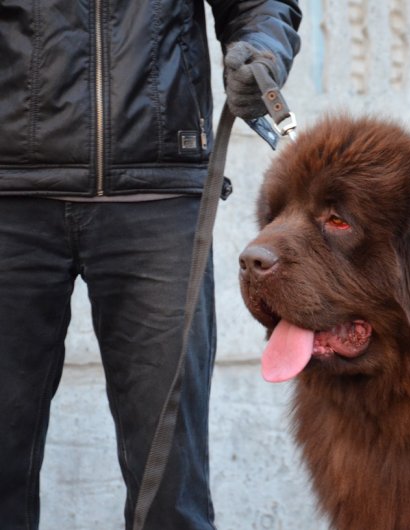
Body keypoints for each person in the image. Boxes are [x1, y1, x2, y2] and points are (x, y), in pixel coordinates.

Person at [0, 1, 301, 528]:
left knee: (171, 484)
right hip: (10, 195)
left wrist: (262, 53)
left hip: (159, 195)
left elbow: (259, 5)